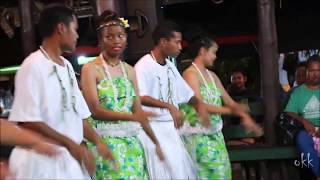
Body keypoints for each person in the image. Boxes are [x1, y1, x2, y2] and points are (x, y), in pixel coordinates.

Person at [8, 5, 114, 179]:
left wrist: (98, 142)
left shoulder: (67, 67)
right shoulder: (32, 65)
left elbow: (78, 115)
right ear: (61, 28)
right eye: (75, 29)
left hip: (68, 159)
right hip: (43, 160)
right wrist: (71, 145)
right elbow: (28, 121)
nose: (77, 36)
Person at [81, 10, 164, 179]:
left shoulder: (130, 71)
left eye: (120, 35)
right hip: (105, 144)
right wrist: (132, 118)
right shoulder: (91, 69)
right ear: (100, 40)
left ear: (126, 39)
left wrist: (156, 142)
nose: (116, 40)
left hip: (132, 143)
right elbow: (94, 110)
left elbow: (138, 112)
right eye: (109, 37)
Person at [180, 35, 263, 179]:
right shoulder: (189, 74)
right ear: (202, 51)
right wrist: (230, 110)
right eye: (213, 52)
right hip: (198, 137)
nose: (215, 56)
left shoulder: (212, 76)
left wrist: (245, 117)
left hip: (215, 136)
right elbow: (200, 105)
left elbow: (229, 101)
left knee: (223, 174)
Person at [134, 21, 209, 179]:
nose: (180, 47)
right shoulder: (143, 66)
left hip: (170, 131)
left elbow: (187, 94)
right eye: (177, 42)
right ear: (163, 42)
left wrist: (201, 107)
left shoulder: (169, 66)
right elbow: (139, 97)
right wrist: (168, 106)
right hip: (152, 131)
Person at [285, 55, 320, 179]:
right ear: (306, 72)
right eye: (312, 71)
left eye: (318, 71)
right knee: (301, 138)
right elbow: (289, 112)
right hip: (307, 131)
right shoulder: (298, 92)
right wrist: (304, 121)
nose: (315, 74)